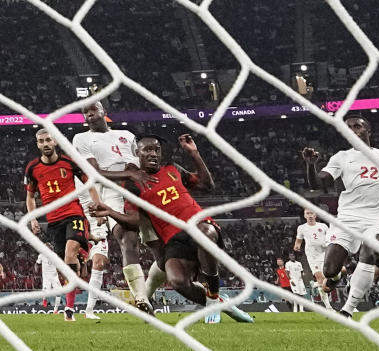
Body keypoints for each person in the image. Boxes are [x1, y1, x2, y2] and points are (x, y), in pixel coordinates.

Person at [92, 134, 253, 323]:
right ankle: (219, 302)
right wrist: (110, 211)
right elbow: (133, 221)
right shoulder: (134, 185)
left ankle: (212, 294)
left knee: (203, 234)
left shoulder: (173, 169)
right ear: (137, 153)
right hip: (173, 238)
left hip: (199, 225)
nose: (153, 154)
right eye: (148, 150)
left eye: (157, 150)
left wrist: (194, 153)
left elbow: (206, 185)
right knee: (176, 280)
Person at [302, 115, 379, 317]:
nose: (353, 129)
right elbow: (318, 184)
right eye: (348, 127)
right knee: (329, 269)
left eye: (357, 126)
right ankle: (334, 279)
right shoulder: (341, 157)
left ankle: (347, 310)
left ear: (368, 130)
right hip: (347, 218)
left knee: (370, 252)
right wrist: (310, 165)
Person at [73, 101, 156, 315]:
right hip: (111, 191)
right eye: (85, 112)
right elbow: (94, 173)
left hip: (139, 188)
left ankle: (149, 290)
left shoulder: (126, 135)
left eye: (93, 110)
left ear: (104, 112)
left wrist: (132, 172)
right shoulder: (82, 139)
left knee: (161, 243)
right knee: (126, 237)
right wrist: (129, 174)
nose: (89, 114)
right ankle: (141, 299)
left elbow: (135, 163)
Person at [25, 128, 98, 322]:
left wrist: (97, 204)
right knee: (66, 266)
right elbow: (30, 196)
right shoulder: (32, 168)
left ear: (55, 141)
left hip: (74, 214)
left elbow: (89, 183)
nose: (45, 144)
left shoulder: (69, 162)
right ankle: (70, 307)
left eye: (48, 140)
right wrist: (33, 218)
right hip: (53, 221)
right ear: (38, 144)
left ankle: (83, 251)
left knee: (69, 254)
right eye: (41, 141)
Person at [293, 208, 333, 310]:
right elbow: (298, 241)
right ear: (304, 216)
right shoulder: (301, 228)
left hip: (325, 254)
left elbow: (329, 238)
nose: (310, 215)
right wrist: (297, 246)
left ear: (315, 215)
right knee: (321, 279)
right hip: (312, 257)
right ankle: (328, 307)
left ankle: (315, 284)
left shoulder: (323, 226)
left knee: (327, 279)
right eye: (307, 214)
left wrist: (328, 243)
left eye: (312, 213)